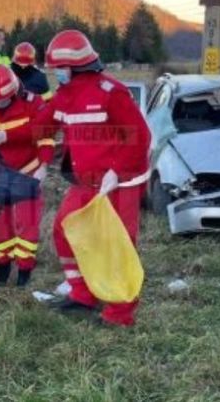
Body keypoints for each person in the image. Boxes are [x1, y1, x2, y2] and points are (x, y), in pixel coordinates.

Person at [41, 29, 151, 327]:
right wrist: (5, 128)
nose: (55, 74)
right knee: (64, 230)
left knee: (116, 244)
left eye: (59, 68)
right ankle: (83, 293)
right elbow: (42, 124)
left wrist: (117, 169)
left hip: (120, 183)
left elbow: (140, 136)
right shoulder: (65, 95)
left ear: (74, 66)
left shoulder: (111, 92)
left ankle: (119, 312)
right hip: (86, 182)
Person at [0, 65, 53, 287]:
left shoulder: (33, 102)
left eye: (3, 100)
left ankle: (24, 270)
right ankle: (3, 268)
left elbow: (45, 134)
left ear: (14, 91)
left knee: (27, 223)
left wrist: (43, 166)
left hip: (27, 171)